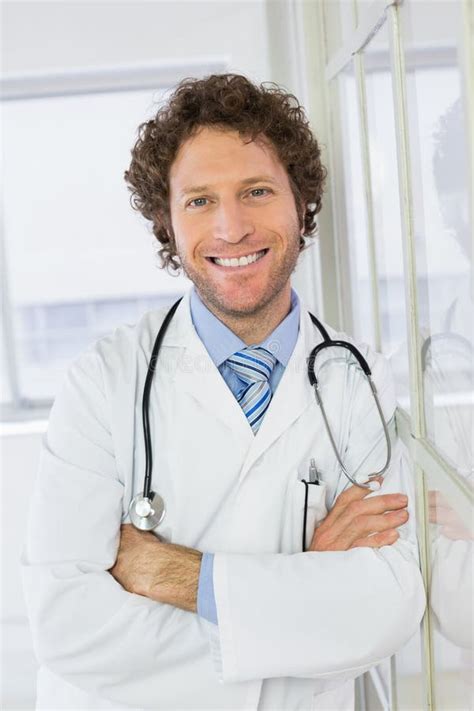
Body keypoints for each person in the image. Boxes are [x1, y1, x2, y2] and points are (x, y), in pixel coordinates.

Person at [22, 74, 425, 710]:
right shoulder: (103, 381)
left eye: (257, 191)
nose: (231, 228)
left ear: (301, 203)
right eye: (199, 201)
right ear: (168, 221)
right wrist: (300, 591)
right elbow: (65, 624)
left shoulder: (360, 380)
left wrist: (175, 574)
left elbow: (387, 606)